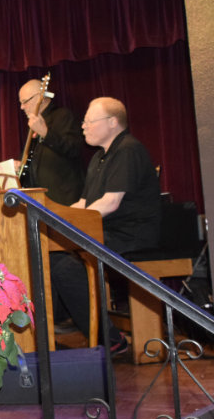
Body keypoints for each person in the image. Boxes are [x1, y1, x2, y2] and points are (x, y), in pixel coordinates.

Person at [50, 97, 160, 354]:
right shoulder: (99, 158)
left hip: (132, 235)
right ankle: (59, 327)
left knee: (67, 267)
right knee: (52, 258)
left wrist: (68, 224)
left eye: (89, 121)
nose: (83, 127)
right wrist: (52, 218)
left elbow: (111, 203)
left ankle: (109, 339)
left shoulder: (128, 150)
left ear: (112, 122)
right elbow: (84, 202)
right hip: (108, 232)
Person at [17, 79, 85, 206]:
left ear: (40, 97)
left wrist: (45, 133)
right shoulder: (33, 125)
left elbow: (73, 149)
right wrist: (21, 164)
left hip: (64, 198)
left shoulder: (63, 115)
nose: (22, 107)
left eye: (25, 101)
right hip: (41, 200)